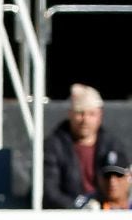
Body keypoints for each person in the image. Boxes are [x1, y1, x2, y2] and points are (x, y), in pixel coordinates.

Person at [45, 83, 129, 211]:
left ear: (100, 115)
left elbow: (122, 184)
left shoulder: (112, 144)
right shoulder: (54, 145)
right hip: (67, 217)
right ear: (70, 114)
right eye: (80, 113)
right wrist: (79, 208)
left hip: (107, 214)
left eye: (91, 114)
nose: (85, 120)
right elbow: (50, 191)